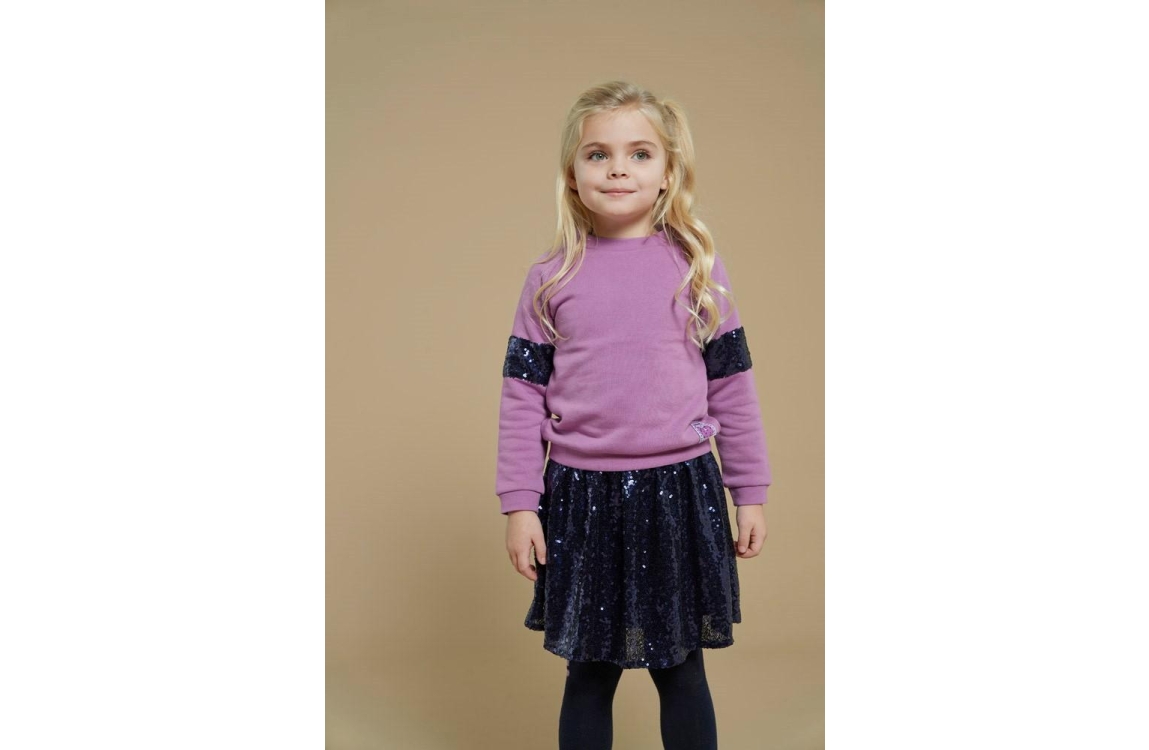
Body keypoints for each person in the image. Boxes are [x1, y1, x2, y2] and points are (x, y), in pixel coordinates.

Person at [496, 80, 772, 750]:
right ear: (572, 173)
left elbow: (732, 387)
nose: (618, 168)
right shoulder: (550, 277)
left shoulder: (698, 270)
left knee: (681, 667)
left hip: (680, 492)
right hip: (580, 498)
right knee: (589, 671)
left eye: (639, 153)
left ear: (668, 172)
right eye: (598, 154)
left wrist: (750, 492)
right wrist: (520, 504)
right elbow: (521, 396)